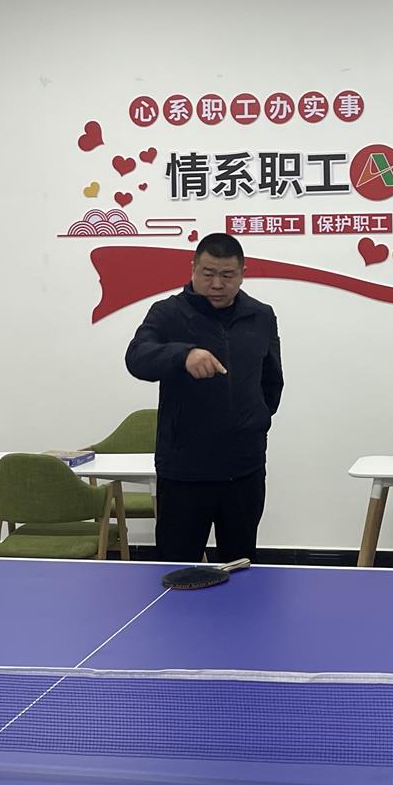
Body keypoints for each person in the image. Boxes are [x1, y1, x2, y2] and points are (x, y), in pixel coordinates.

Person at [125, 232, 284, 564]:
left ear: (242, 273)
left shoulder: (261, 316)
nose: (217, 284)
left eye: (227, 275)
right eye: (208, 274)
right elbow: (136, 357)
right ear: (193, 268)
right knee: (177, 567)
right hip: (184, 472)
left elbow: (271, 382)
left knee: (240, 566)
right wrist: (182, 355)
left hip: (244, 470)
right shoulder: (168, 313)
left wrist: (254, 422)